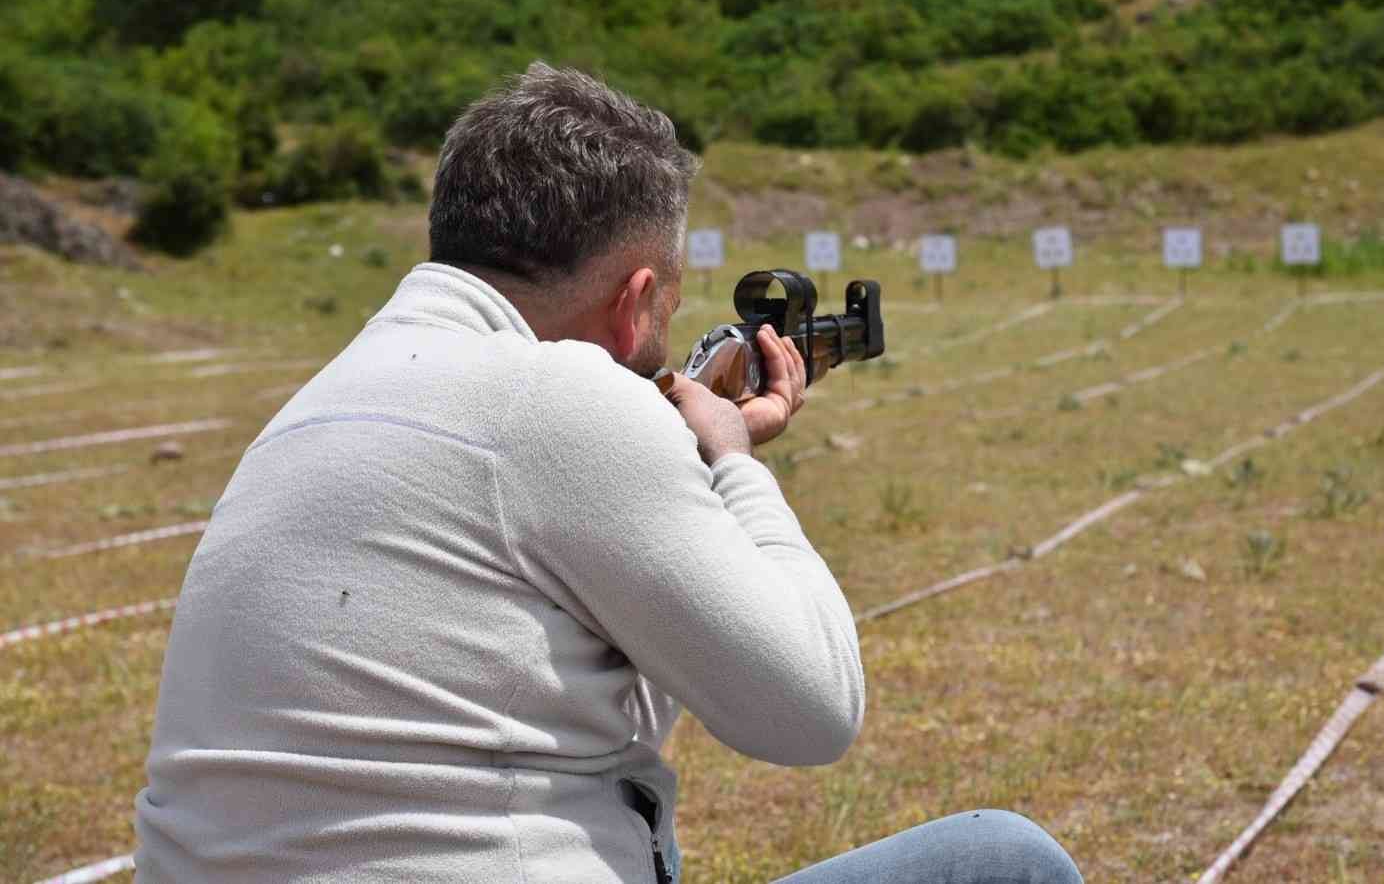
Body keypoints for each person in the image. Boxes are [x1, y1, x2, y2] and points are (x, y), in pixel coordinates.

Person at [133, 63, 1082, 884]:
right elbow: (812, 712)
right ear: (635, 305)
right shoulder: (561, 399)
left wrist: (682, 465)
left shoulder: (323, 401)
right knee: (1005, 860)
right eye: (664, 317)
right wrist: (732, 463)